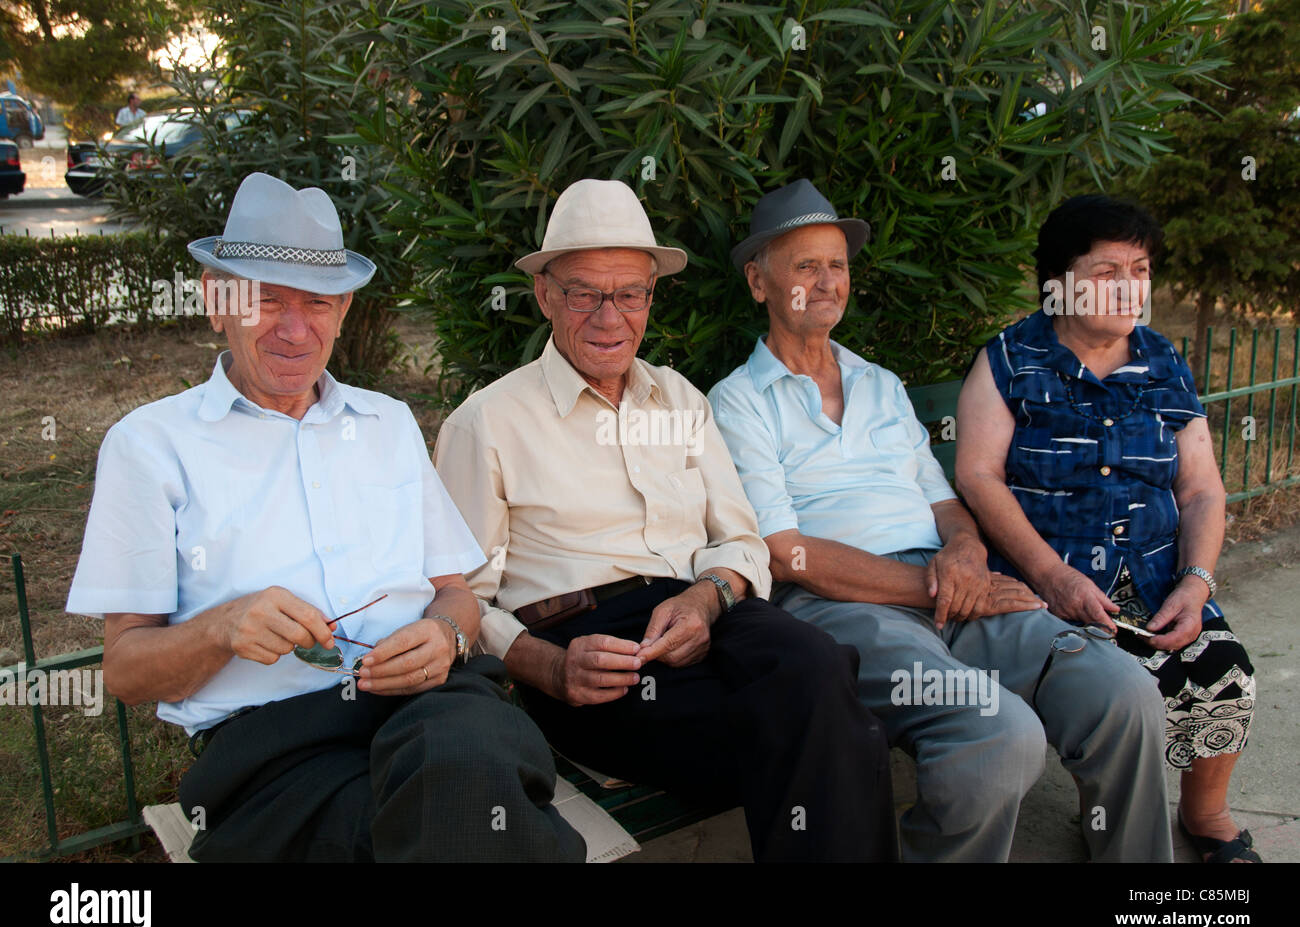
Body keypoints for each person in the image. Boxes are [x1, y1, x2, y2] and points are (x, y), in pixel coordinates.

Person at [65, 172, 585, 863]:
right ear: (215, 300)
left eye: (315, 303)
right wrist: (223, 627)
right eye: (265, 300)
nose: (293, 328)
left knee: (459, 766)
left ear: (342, 311)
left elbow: (456, 594)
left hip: (429, 708)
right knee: (448, 824)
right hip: (278, 746)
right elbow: (126, 669)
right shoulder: (151, 445)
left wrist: (444, 636)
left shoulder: (387, 423)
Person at [433, 178, 897, 863]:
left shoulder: (678, 396)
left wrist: (705, 598)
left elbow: (741, 541)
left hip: (700, 612)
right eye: (584, 292)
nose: (608, 315)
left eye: (628, 294)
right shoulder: (488, 421)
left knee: (818, 663)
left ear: (651, 296)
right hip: (588, 645)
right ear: (545, 296)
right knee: (823, 726)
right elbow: (462, 596)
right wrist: (551, 667)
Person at [708, 179, 1173, 862]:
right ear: (759, 281)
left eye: (837, 264)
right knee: (999, 735)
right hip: (841, 607)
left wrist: (962, 553)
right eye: (806, 264)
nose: (829, 280)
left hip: (945, 586)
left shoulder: (881, 385)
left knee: (1123, 692)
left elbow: (947, 502)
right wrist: (937, 586)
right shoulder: (738, 401)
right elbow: (784, 552)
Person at [957, 194, 1259, 863]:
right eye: (1106, 271)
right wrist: (1051, 574)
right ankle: (1112, 823)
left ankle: (1206, 816)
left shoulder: (1161, 361)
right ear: (1058, 282)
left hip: (1154, 578)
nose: (1130, 287)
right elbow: (978, 475)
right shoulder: (1011, 359)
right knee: (1124, 686)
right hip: (1043, 581)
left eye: (1141, 269)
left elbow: (1202, 487)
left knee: (1224, 665)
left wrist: (1196, 580)